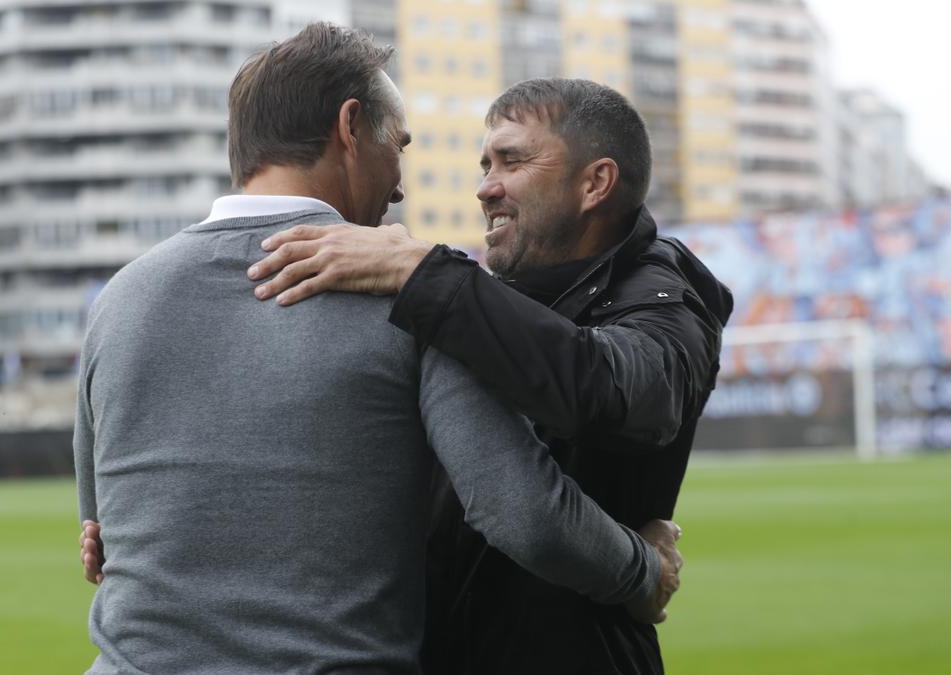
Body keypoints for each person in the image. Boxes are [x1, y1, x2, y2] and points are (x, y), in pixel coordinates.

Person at [74, 26, 681, 674]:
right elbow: (524, 515)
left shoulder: (118, 300)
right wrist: (644, 571)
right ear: (350, 127)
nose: (398, 189)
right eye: (399, 147)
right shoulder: (405, 294)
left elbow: (100, 535)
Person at [240, 78, 734, 674]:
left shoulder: (662, 296)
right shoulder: (491, 302)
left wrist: (425, 272)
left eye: (512, 160)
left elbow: (622, 393)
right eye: (484, 164)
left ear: (595, 184)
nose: (485, 187)